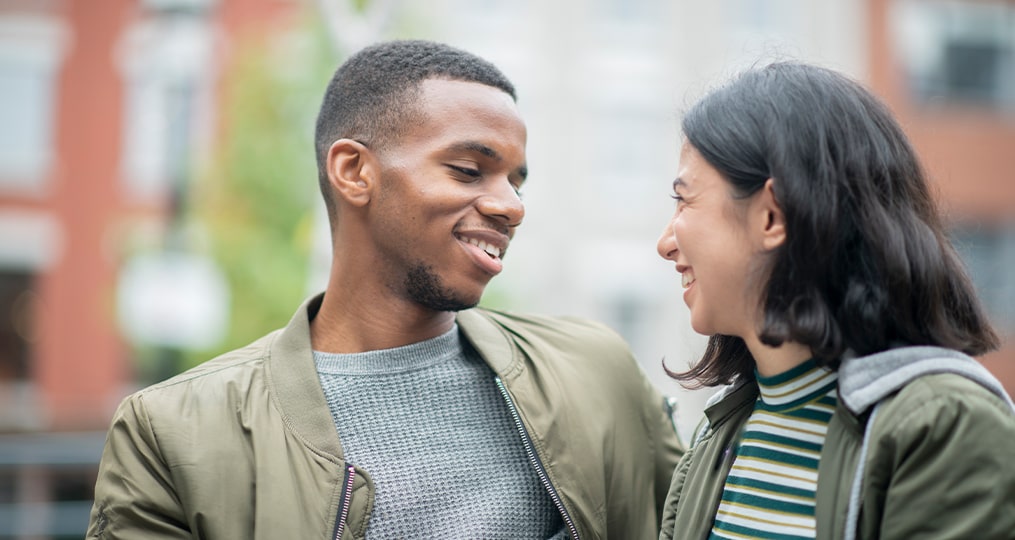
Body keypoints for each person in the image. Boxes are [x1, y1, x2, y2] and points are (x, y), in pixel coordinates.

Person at [87, 40, 682, 539]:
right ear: (354, 171)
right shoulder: (171, 432)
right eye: (469, 170)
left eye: (515, 181)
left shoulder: (595, 370)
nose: (509, 206)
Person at [655, 62, 1015, 540]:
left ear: (771, 215)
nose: (665, 243)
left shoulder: (944, 428)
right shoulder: (720, 432)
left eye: (685, 200)